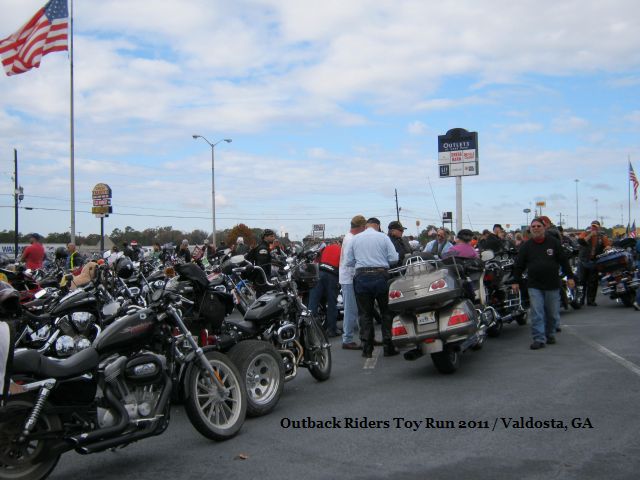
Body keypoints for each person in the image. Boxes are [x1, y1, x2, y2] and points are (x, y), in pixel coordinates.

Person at [512, 218, 575, 350]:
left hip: (552, 284)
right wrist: (516, 281)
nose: (535, 228)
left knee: (552, 313)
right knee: (537, 312)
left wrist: (570, 277)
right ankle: (539, 338)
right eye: (533, 226)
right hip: (534, 285)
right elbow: (519, 265)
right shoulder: (526, 246)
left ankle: (550, 334)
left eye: (538, 226)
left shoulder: (554, 243)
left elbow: (563, 261)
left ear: (544, 228)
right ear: (530, 229)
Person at [344, 217, 399, 358]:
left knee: (365, 314)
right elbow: (394, 258)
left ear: (367, 226)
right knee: (386, 312)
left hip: (362, 277)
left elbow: (349, 261)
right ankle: (388, 346)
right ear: (378, 226)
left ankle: (367, 348)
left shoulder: (356, 239)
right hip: (380, 276)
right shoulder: (383, 237)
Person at [340, 215, 367, 350]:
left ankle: (358, 337)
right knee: (351, 310)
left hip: (349, 278)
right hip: (349, 279)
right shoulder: (351, 240)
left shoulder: (349, 237)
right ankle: (347, 339)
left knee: (354, 309)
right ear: (361, 227)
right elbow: (349, 261)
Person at [308, 240, 342, 337]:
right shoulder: (342, 250)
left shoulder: (325, 248)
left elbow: (316, 261)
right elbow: (343, 265)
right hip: (332, 275)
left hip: (318, 272)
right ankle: (332, 330)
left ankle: (310, 330)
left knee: (313, 302)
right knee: (332, 303)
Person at [577, 220, 611, 306]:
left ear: (599, 227)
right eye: (593, 226)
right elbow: (581, 241)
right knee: (581, 281)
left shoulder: (602, 236)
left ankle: (591, 300)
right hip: (583, 260)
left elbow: (608, 245)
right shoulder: (585, 233)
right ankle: (579, 300)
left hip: (594, 261)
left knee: (593, 282)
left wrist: (607, 247)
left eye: (595, 226)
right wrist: (590, 234)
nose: (594, 228)